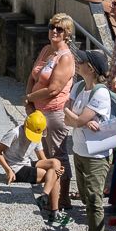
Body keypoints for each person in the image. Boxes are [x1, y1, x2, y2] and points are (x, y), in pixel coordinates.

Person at [61, 48, 116, 231]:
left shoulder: (100, 93)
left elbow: (75, 120)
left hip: (96, 155)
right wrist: (79, 118)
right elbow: (67, 112)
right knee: (86, 198)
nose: (77, 63)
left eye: (81, 61)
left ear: (91, 68)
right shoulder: (80, 86)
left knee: (94, 199)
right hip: (80, 150)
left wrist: (78, 119)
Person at [22, 13, 79, 192]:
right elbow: (33, 75)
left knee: (58, 155)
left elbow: (54, 88)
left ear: (67, 33)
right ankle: (50, 192)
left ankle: (63, 196)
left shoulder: (66, 57)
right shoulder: (47, 50)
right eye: (51, 27)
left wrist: (30, 98)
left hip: (54, 112)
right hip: (39, 111)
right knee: (45, 154)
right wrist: (29, 101)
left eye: (59, 29)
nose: (54, 31)